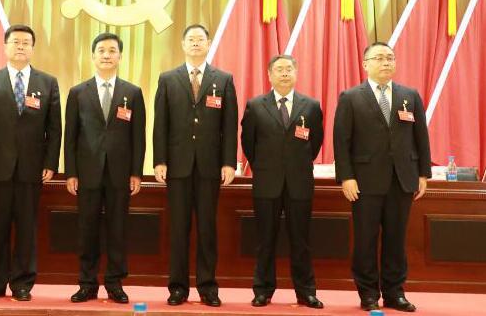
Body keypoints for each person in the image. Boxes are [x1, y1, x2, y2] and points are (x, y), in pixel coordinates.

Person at [334, 42, 431, 312]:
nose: (386, 62)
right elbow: (341, 141)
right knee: (365, 240)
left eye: (390, 58)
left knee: (396, 240)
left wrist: (423, 173)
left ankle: (394, 293)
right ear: (365, 64)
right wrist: (346, 177)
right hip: (364, 181)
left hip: (402, 179)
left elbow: (421, 137)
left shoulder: (409, 95)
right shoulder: (350, 97)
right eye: (379, 58)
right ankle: (367, 293)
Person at [0, 24, 62, 302]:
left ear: (32, 48)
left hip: (32, 169)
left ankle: (23, 283)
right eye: (15, 42)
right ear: (5, 47)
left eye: (26, 43)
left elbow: (54, 128)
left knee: (26, 228)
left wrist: (50, 163)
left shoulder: (47, 83)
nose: (21, 46)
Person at [153, 24, 238, 307]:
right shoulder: (168, 79)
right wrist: (160, 160)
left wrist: (228, 162)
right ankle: (178, 288)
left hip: (209, 167)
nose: (195, 43)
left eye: (200, 39)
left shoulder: (223, 80)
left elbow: (229, 125)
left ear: (208, 43)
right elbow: (160, 124)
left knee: (207, 229)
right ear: (183, 44)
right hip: (177, 166)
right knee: (178, 229)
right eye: (191, 39)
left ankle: (207, 287)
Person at [65, 33, 146, 304]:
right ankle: (87, 283)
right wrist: (71, 172)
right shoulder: (78, 92)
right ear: (93, 56)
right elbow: (70, 136)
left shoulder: (132, 93)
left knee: (117, 229)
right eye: (101, 50)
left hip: (120, 173)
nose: (107, 55)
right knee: (87, 229)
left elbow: (138, 136)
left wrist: (136, 172)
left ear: (120, 56)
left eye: (112, 50)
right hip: (87, 172)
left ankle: (115, 283)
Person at [240, 54, 324, 309]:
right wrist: (264, 166)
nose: (285, 73)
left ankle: (306, 292)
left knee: (301, 240)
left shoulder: (311, 106)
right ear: (269, 75)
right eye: (279, 69)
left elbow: (315, 142)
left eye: (289, 69)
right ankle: (262, 290)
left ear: (296, 73)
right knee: (265, 240)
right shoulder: (256, 105)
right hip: (267, 182)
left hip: (300, 182)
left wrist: (297, 164)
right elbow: (248, 143)